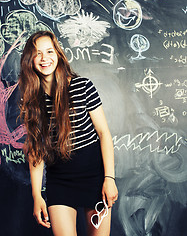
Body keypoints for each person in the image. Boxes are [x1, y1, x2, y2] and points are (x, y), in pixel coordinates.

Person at [19, 30, 118, 236]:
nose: (45, 58)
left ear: (58, 54)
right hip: (60, 181)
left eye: (49, 51)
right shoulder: (31, 100)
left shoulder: (82, 86)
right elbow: (36, 152)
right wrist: (37, 195)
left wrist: (109, 178)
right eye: (38, 53)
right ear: (30, 60)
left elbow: (104, 133)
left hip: (95, 179)